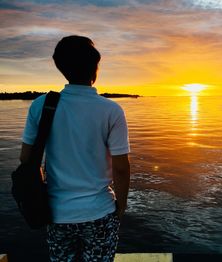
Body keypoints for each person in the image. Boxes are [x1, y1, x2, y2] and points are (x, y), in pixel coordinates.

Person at [20, 35, 130, 261]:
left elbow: (26, 158)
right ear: (95, 67)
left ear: (61, 67)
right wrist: (121, 206)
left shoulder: (41, 105)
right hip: (99, 212)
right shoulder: (111, 110)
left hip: (57, 213)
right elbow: (120, 168)